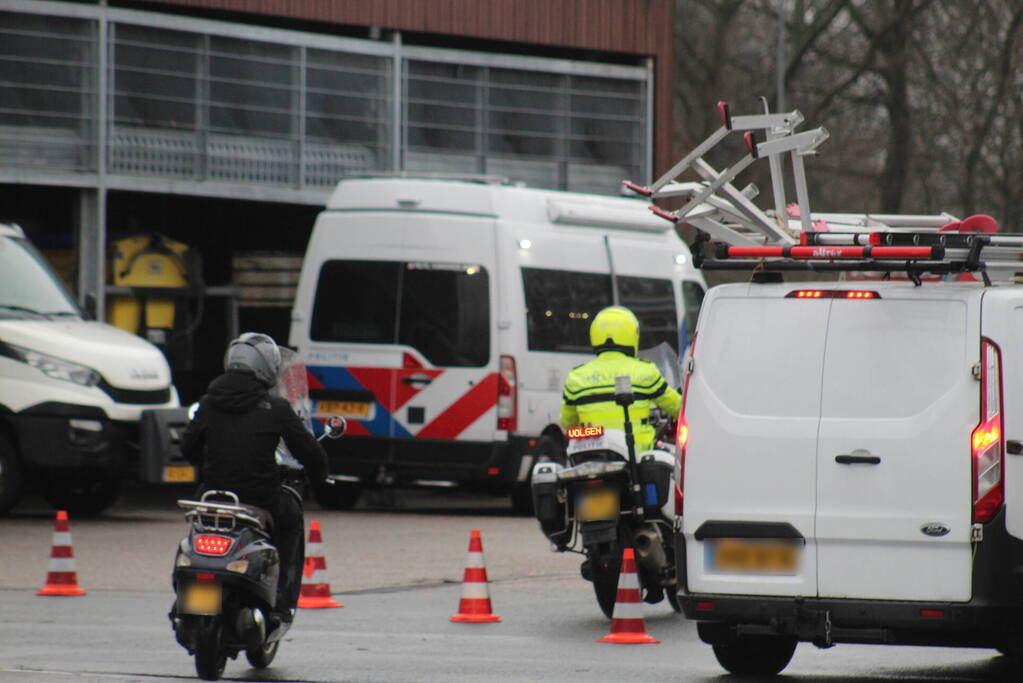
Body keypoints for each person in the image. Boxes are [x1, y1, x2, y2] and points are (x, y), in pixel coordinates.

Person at [181, 332, 335, 626]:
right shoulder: (274, 408)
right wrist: (320, 477)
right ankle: (281, 601)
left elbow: (188, 447)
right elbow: (309, 451)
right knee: (290, 519)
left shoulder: (209, 402)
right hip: (259, 497)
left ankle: (187, 595)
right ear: (268, 367)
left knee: (198, 527)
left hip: (213, 495)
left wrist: (211, 465)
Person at [560, 306, 681, 452]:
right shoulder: (645, 372)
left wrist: (592, 431)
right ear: (632, 335)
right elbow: (678, 408)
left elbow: (567, 422)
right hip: (637, 458)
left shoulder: (577, 376)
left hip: (592, 457)